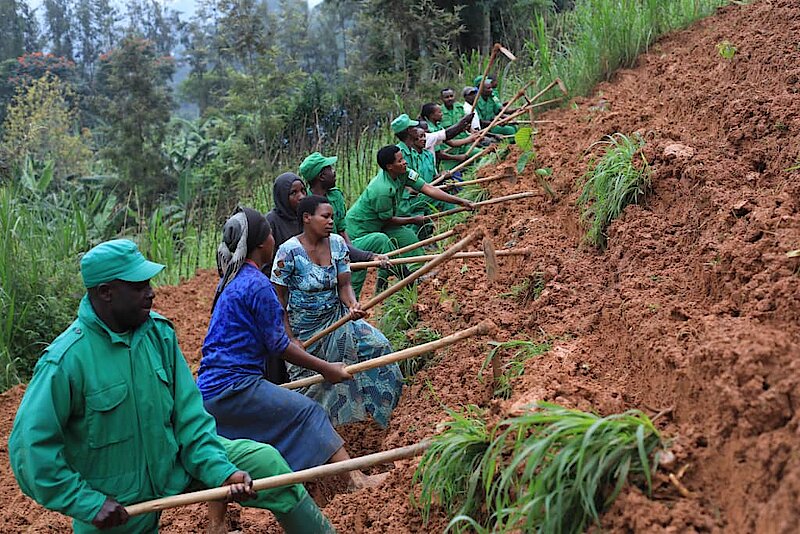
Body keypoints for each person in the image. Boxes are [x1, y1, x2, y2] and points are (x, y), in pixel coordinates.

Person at [7, 239, 332, 533]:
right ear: (106, 292)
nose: (151, 292)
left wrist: (220, 470)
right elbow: (29, 451)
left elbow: (190, 417)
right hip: (117, 497)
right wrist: (87, 504)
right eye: (139, 286)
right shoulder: (66, 361)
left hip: (176, 461)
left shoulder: (158, 334)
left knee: (266, 464)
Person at [198, 207, 385, 489]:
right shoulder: (257, 284)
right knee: (309, 412)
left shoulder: (231, 280)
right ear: (262, 244)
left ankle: (303, 485)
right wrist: (327, 369)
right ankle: (356, 480)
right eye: (270, 234)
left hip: (209, 388)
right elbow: (278, 345)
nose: (274, 238)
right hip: (235, 386)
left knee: (240, 444)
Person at [271, 195, 403, 427]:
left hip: (338, 318)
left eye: (332, 217)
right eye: (325, 217)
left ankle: (391, 417)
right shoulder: (288, 252)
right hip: (305, 331)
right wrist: (290, 339)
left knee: (378, 346)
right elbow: (278, 300)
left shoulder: (337, 244)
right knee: (312, 383)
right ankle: (322, 432)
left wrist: (352, 304)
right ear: (307, 218)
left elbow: (344, 285)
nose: (331, 221)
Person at [345, 145, 473, 258]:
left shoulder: (404, 172)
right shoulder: (382, 189)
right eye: (400, 161)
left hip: (383, 223)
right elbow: (387, 219)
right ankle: (390, 277)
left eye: (403, 159)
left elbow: (428, 188)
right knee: (384, 251)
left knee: (409, 238)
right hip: (360, 229)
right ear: (389, 166)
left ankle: (420, 272)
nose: (405, 162)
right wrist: (413, 220)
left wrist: (459, 201)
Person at [299, 152, 392, 298]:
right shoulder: (307, 205)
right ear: (321, 176)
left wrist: (350, 252)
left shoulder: (335, 196)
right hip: (324, 255)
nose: (334, 172)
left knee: (380, 240)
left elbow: (342, 230)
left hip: (343, 246)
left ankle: (391, 285)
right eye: (330, 169)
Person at [266, 172, 307, 252]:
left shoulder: (308, 217)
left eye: (303, 190)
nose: (301, 196)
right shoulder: (271, 221)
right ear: (282, 196)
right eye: (293, 193)